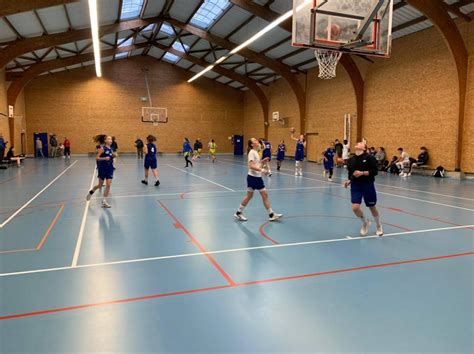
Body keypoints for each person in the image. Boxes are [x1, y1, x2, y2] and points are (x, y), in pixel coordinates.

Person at [234, 138, 283, 222]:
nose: (257, 141)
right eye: (255, 141)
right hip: (253, 177)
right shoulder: (251, 152)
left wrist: (262, 162)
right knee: (257, 195)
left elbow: (256, 164)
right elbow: (251, 166)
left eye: (256, 140)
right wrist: (262, 170)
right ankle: (270, 214)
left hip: (256, 177)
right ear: (252, 144)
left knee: (259, 195)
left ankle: (271, 214)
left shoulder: (256, 152)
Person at [344, 142, 384, 236]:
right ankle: (365, 222)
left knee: (372, 206)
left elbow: (375, 171)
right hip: (355, 185)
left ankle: (379, 225)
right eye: (357, 143)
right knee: (355, 208)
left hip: (368, 184)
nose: (357, 144)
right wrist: (349, 180)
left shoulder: (370, 158)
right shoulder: (351, 160)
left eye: (360, 143)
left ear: (364, 148)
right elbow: (351, 173)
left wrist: (362, 173)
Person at [86, 135, 116, 208]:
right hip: (102, 168)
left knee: (108, 185)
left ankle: (104, 201)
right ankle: (91, 192)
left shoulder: (111, 149)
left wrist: (114, 155)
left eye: (111, 139)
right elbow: (97, 158)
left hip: (110, 168)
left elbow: (111, 157)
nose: (111, 140)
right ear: (105, 141)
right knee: (100, 185)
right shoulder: (102, 148)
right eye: (109, 139)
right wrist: (104, 158)